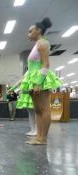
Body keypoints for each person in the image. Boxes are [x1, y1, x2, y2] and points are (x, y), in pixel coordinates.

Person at [9, 17, 61, 145]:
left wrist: (38, 83)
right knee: (37, 109)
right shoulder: (37, 45)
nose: (28, 34)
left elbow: (46, 65)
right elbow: (32, 67)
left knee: (44, 109)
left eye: (30, 31)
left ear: (38, 30)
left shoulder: (42, 43)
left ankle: (43, 138)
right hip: (33, 79)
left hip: (39, 80)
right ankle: (38, 136)